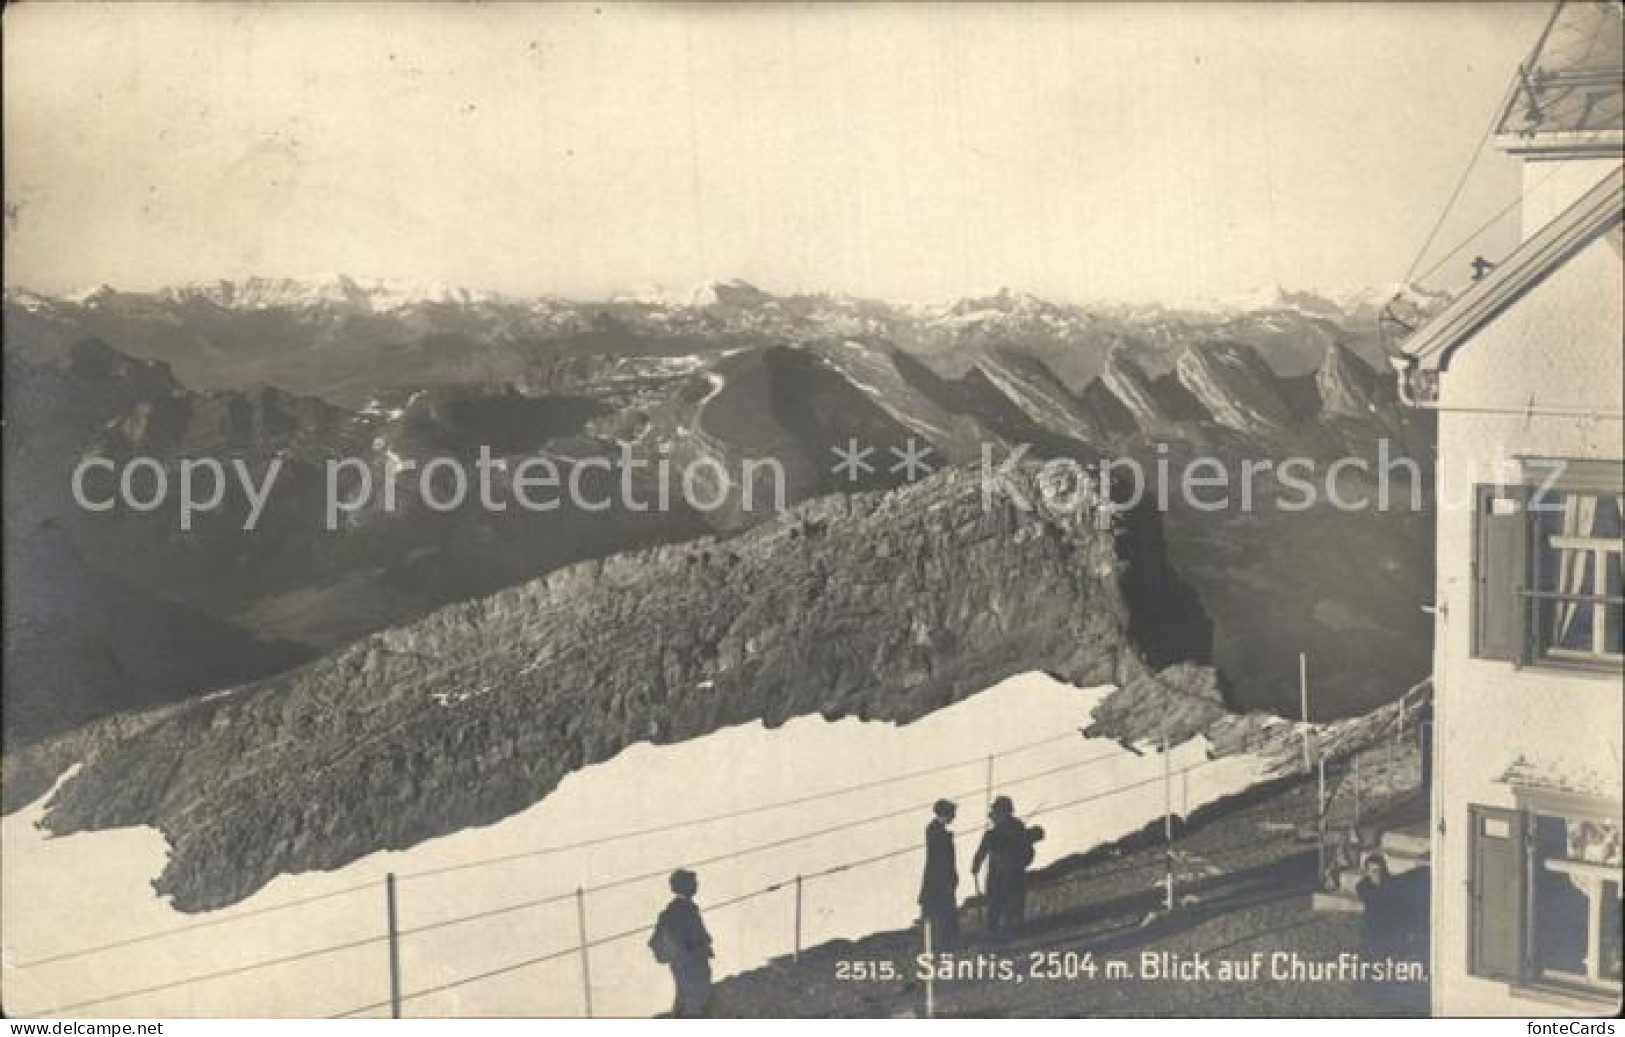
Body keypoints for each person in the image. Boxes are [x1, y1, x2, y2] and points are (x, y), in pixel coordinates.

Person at [971, 796, 1045, 941]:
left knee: (996, 905)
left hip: (1000, 875)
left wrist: (975, 866)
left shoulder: (993, 833)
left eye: (995, 812)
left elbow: (981, 851)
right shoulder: (1017, 827)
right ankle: (1014, 931)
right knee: (1013, 904)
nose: (993, 816)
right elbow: (1028, 849)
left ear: (1001, 812)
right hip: (1014, 874)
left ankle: (996, 933)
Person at [648, 869, 713, 1017]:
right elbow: (695, 937)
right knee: (694, 1001)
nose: (697, 885)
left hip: (686, 963)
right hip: (691, 963)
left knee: (686, 999)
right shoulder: (683, 909)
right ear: (686, 886)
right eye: (693, 882)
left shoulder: (678, 909)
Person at [917, 799, 960, 947]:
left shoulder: (936, 830)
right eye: (952, 814)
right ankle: (941, 941)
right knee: (938, 909)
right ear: (945, 813)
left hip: (939, 876)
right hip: (938, 877)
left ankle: (942, 940)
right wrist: (948, 878)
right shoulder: (936, 831)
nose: (954, 817)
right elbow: (941, 858)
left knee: (938, 909)